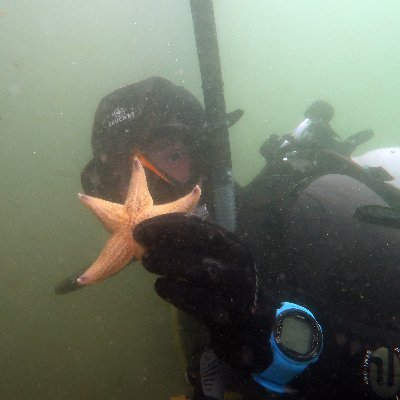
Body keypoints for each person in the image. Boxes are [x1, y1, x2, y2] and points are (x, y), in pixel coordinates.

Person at [82, 77, 400, 400]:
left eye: (173, 155)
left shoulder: (316, 214)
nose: (147, 189)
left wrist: (273, 337)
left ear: (208, 160)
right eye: (125, 175)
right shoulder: (184, 303)